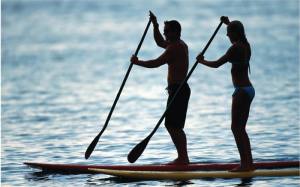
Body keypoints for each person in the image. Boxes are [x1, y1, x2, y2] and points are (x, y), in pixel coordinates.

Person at [130, 12, 190, 165]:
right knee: (174, 125)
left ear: (176, 32)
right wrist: (155, 25)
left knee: (172, 125)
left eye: (167, 31)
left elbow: (156, 63)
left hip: (179, 90)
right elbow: (159, 42)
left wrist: (138, 62)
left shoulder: (175, 48)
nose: (165, 34)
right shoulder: (177, 44)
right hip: (178, 90)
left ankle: (183, 159)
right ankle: (183, 158)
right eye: (164, 31)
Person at [197, 16, 255, 171]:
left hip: (241, 91)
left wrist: (201, 61)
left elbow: (216, 64)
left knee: (236, 128)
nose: (227, 35)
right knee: (241, 128)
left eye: (229, 33)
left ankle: (244, 165)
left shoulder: (235, 48)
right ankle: (249, 163)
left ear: (235, 33)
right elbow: (237, 29)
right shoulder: (246, 45)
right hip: (248, 89)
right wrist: (228, 24)